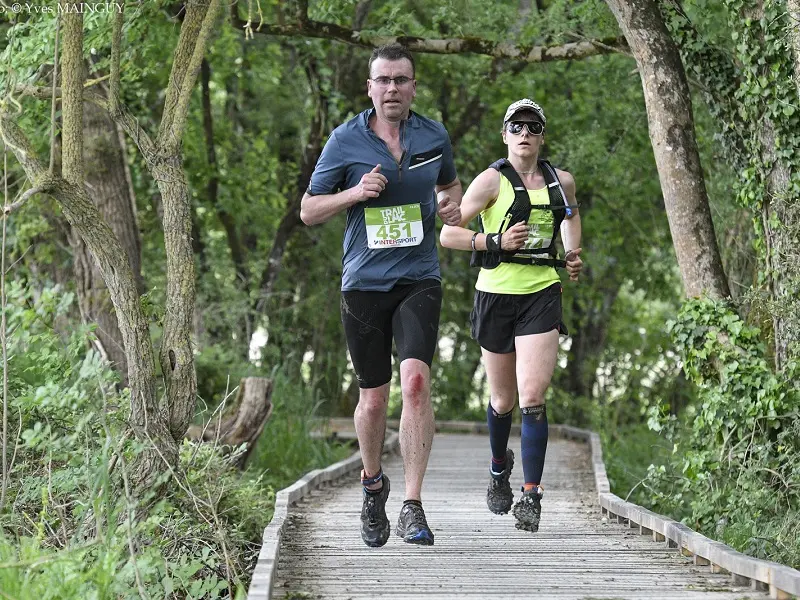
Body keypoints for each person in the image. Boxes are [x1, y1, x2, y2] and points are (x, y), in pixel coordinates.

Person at [300, 43, 462, 547]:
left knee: (415, 383)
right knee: (373, 400)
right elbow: (308, 210)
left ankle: (412, 504)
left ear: (413, 87)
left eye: (401, 80)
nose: (392, 88)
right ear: (369, 87)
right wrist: (355, 193)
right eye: (384, 80)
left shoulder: (433, 135)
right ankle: (373, 485)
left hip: (419, 277)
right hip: (363, 283)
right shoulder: (344, 140)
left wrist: (450, 207)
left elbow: (451, 188)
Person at [439, 98, 582, 532]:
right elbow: (448, 235)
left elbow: (570, 216)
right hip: (496, 295)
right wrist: (494, 241)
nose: (524, 134)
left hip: (542, 291)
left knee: (532, 395)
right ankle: (499, 468)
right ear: (504, 135)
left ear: (542, 136)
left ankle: (532, 495)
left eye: (532, 127)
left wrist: (573, 252)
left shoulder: (561, 181)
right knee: (503, 400)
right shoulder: (490, 181)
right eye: (516, 127)